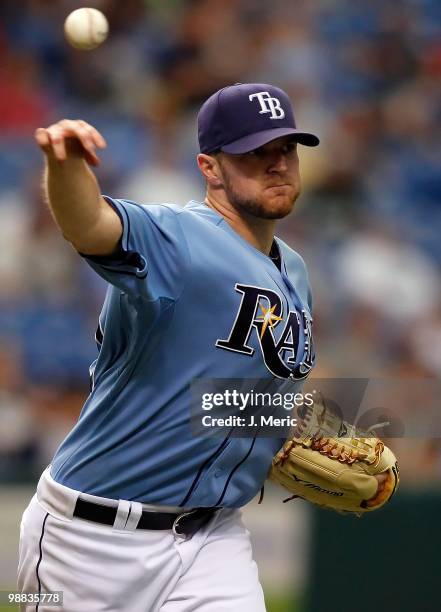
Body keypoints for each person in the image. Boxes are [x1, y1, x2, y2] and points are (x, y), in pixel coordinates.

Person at [18, 83, 386, 611]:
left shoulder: (297, 271)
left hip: (213, 539)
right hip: (89, 537)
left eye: (285, 149)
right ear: (210, 168)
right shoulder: (179, 238)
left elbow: (226, 396)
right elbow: (92, 225)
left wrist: (284, 429)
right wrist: (66, 166)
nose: (277, 164)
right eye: (254, 153)